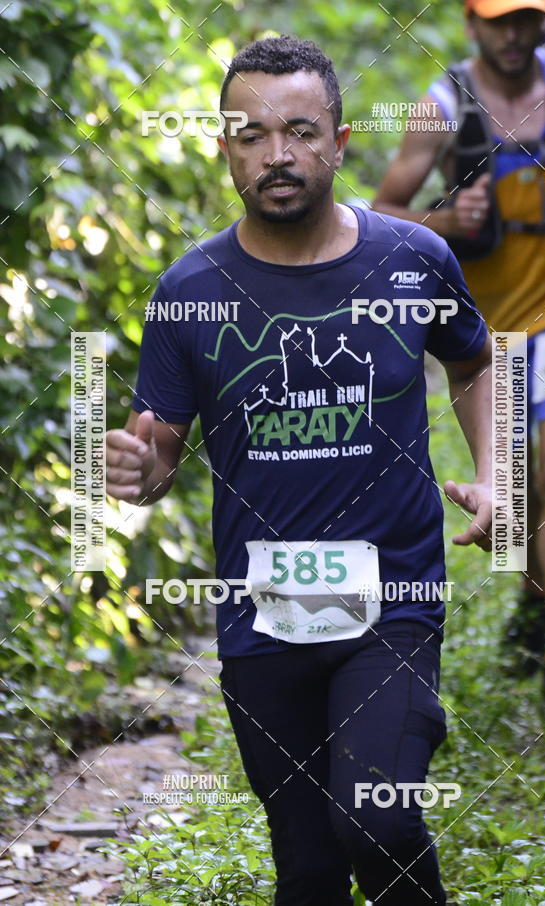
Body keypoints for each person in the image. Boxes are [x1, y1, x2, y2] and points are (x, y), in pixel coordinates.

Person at [107, 35, 492, 906]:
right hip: (262, 617)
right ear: (224, 146)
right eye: (251, 135)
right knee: (310, 871)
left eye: (301, 131)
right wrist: (138, 467)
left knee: (379, 817)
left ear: (342, 142)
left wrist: (496, 470)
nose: (277, 155)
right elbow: (159, 442)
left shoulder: (411, 259)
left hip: (391, 599)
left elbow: (475, 361)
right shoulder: (189, 289)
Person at [374, 0, 545, 715]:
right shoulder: (441, 108)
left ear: (542, 24)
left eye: (526, 21)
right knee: (519, 476)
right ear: (473, 25)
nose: (513, 36)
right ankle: (535, 607)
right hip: (490, 330)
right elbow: (382, 213)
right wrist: (445, 217)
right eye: (499, 22)